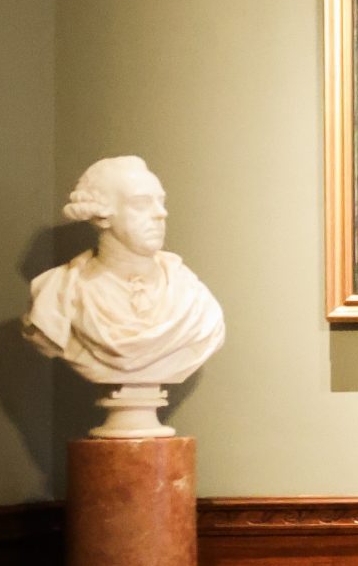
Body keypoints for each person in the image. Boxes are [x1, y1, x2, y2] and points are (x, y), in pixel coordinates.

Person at [24, 154, 226, 390]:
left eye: (161, 201)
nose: (161, 213)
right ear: (102, 216)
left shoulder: (195, 300)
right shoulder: (57, 295)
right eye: (141, 203)